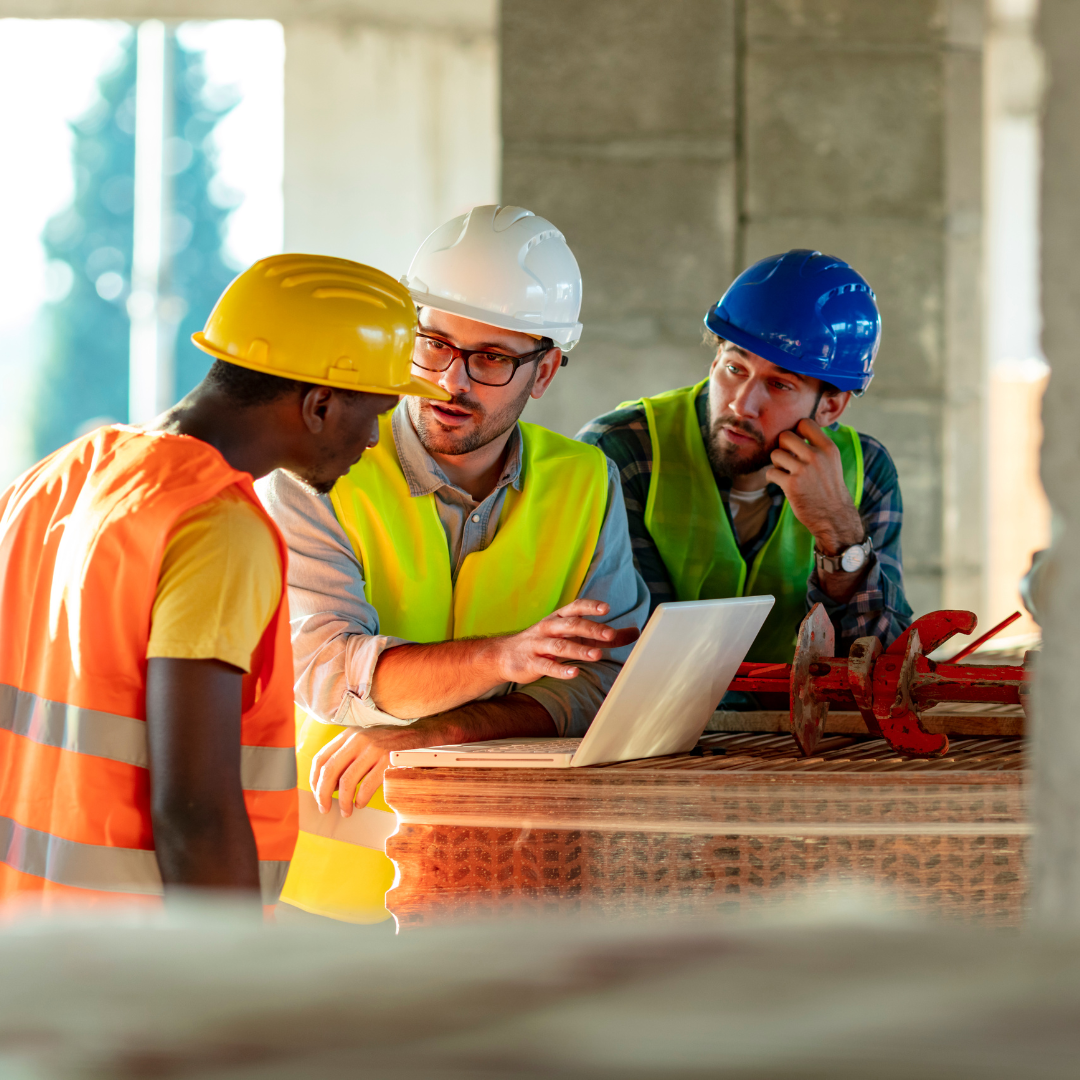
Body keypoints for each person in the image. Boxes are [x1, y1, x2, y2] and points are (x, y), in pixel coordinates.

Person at [0, 254, 439, 912]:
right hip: (133, 962)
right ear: (319, 404)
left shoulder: (55, 479)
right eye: (374, 412)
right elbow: (195, 811)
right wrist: (229, 983)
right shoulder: (217, 526)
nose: (374, 440)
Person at [260, 205, 648, 923]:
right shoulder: (316, 471)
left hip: (508, 885)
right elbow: (325, 674)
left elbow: (605, 688)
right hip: (323, 889)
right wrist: (505, 660)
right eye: (432, 343)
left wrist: (442, 732)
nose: (450, 380)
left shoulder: (585, 482)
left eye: (492, 358)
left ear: (548, 369)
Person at [579, 249, 912, 667]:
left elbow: (884, 667)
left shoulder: (867, 472)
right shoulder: (622, 452)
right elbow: (626, 649)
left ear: (830, 407)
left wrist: (839, 533)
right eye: (735, 369)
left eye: (779, 385)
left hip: (799, 731)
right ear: (716, 356)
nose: (742, 405)